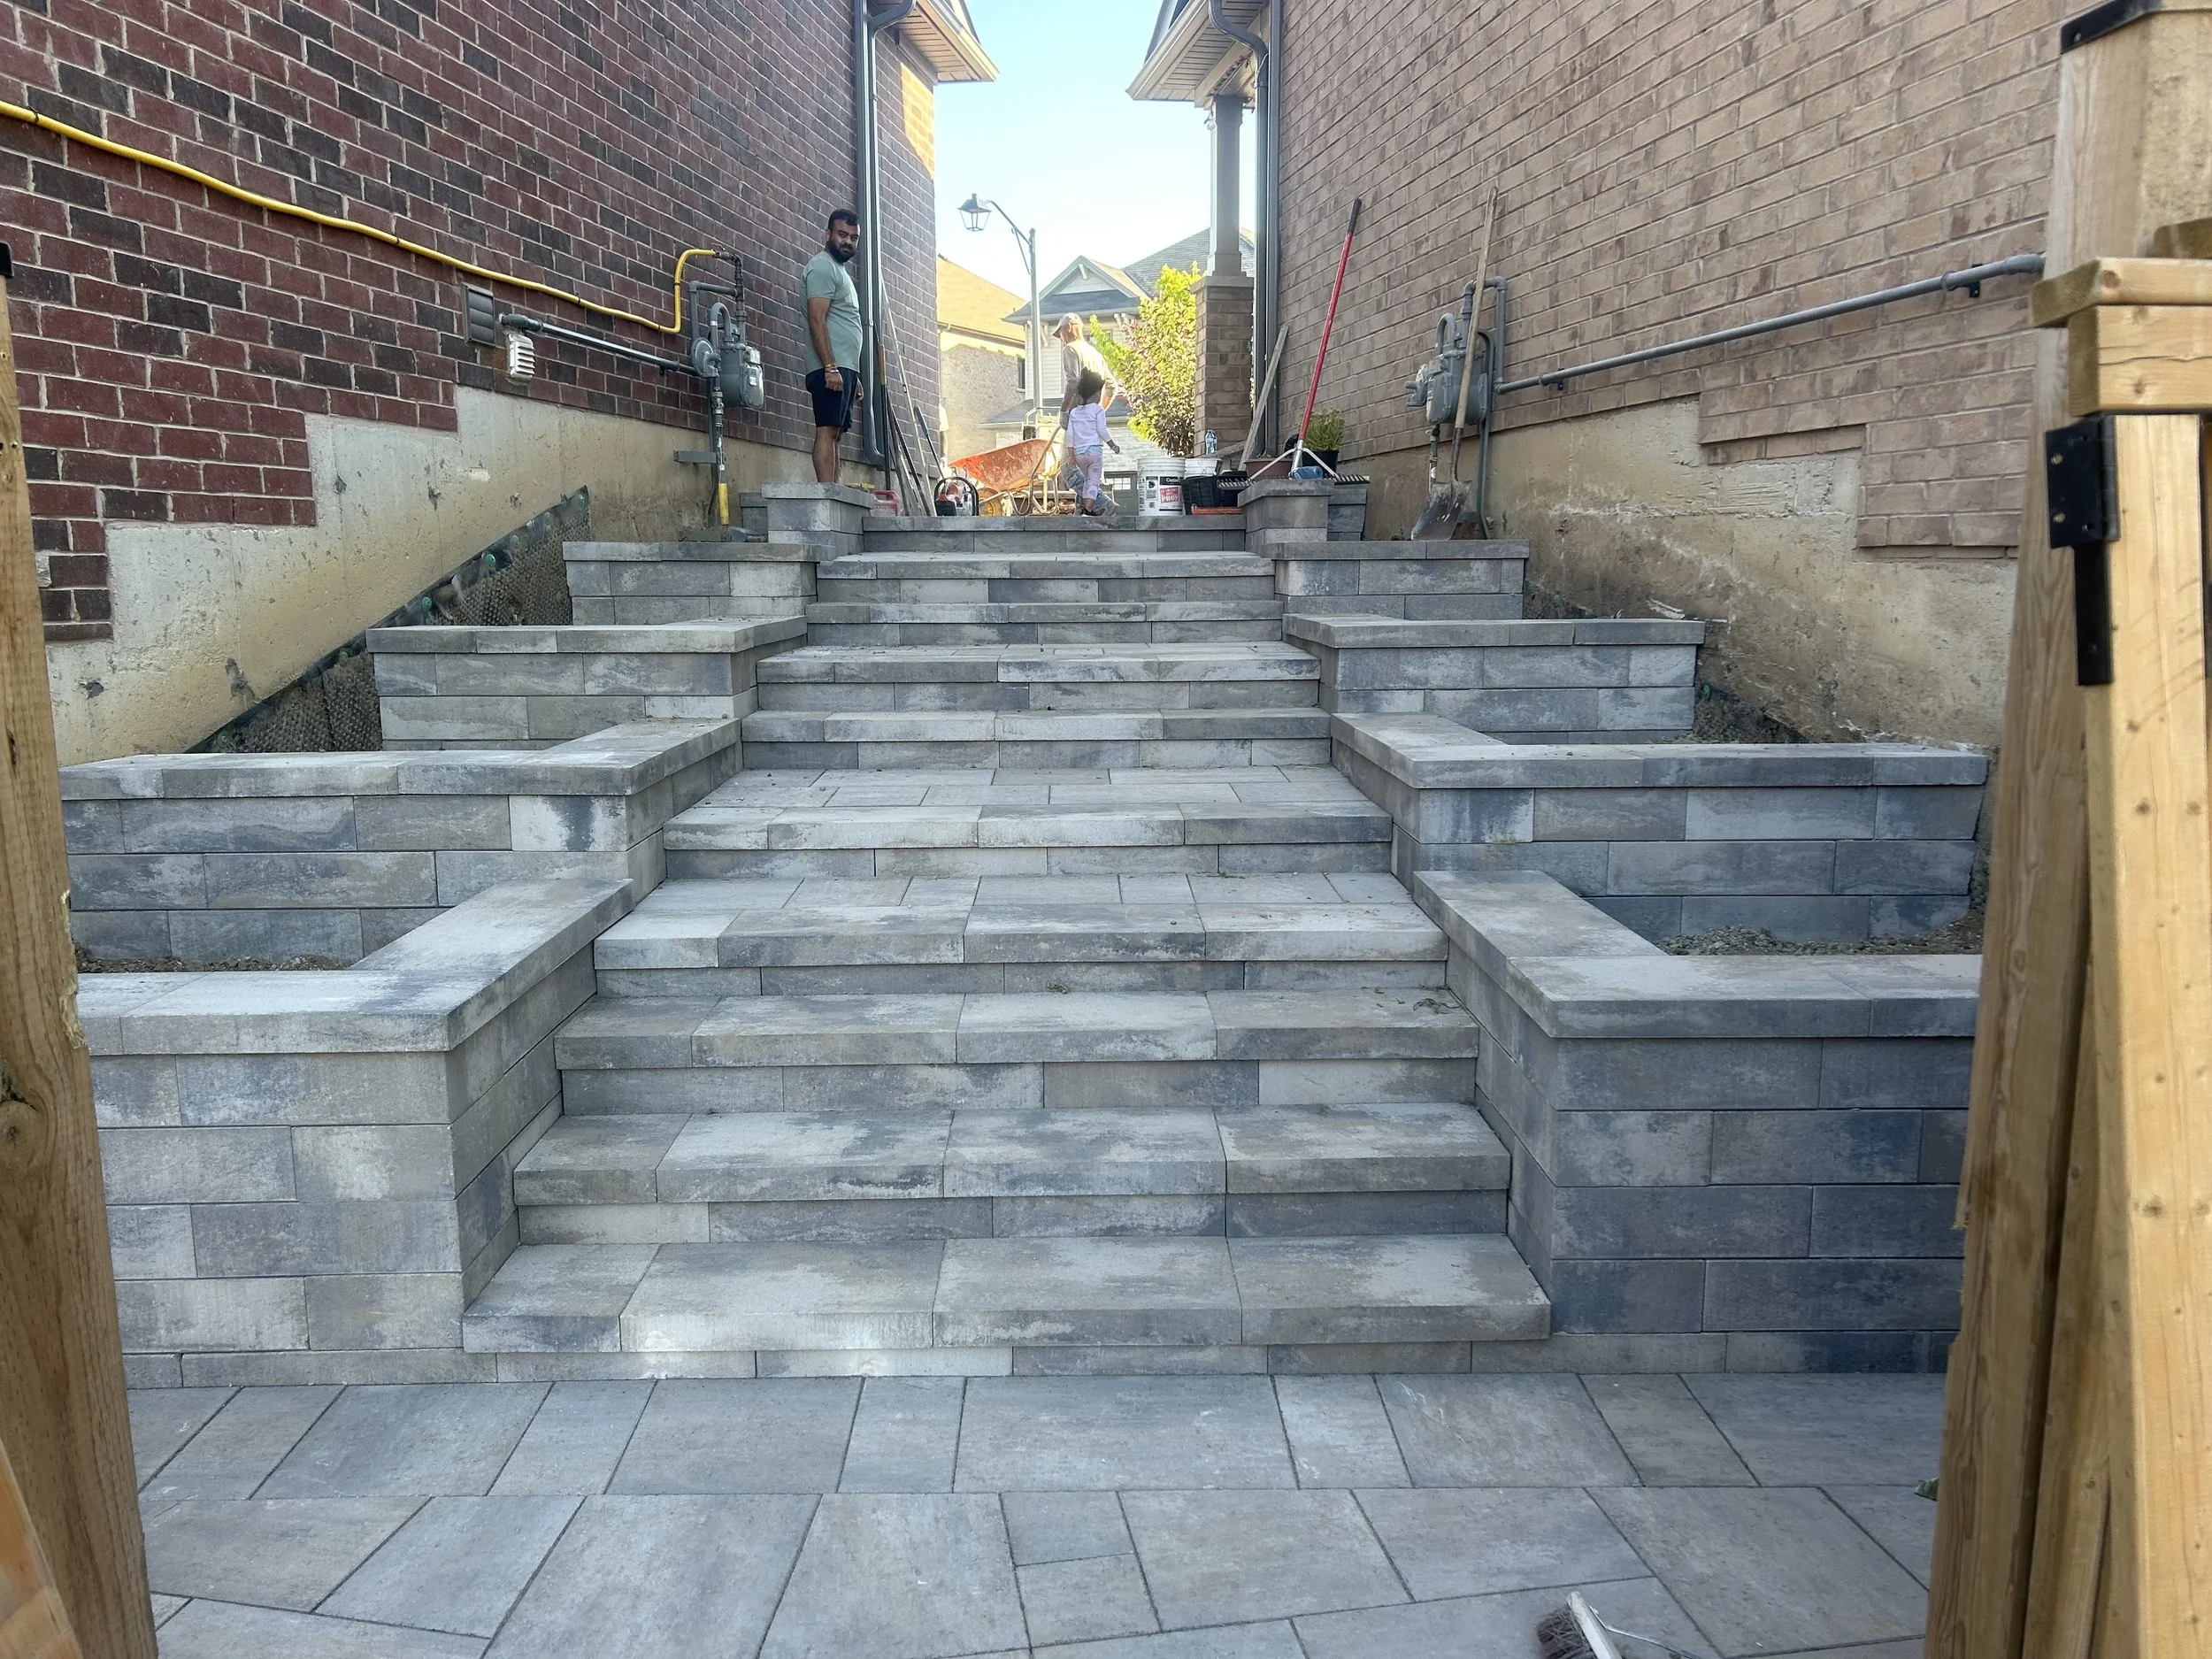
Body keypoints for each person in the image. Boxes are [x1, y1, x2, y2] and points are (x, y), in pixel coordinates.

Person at [803, 209, 865, 483]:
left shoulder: (839, 271)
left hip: (843, 367)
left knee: (837, 432)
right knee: (827, 429)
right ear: (828, 234)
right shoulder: (822, 267)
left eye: (854, 237)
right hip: (829, 367)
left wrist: (853, 374)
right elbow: (816, 320)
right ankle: (826, 494)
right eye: (842, 234)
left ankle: (834, 493)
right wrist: (830, 366)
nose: (848, 241)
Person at [1066, 367, 1118, 518]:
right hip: (1094, 453)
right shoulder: (1098, 410)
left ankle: (1082, 508)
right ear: (1096, 394)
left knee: (1086, 481)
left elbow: (1070, 435)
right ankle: (1089, 507)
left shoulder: (1074, 412)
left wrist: (1071, 455)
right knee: (1093, 482)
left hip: (1079, 454)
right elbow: (1102, 430)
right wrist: (1112, 445)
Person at [1056, 316, 1114, 414]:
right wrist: (1100, 411)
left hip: (1078, 415)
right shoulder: (1095, 353)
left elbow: (1072, 382)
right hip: (1093, 417)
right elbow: (1112, 386)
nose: (1061, 339)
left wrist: (1063, 411)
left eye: (1060, 333)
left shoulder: (1070, 349)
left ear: (1068, 328)